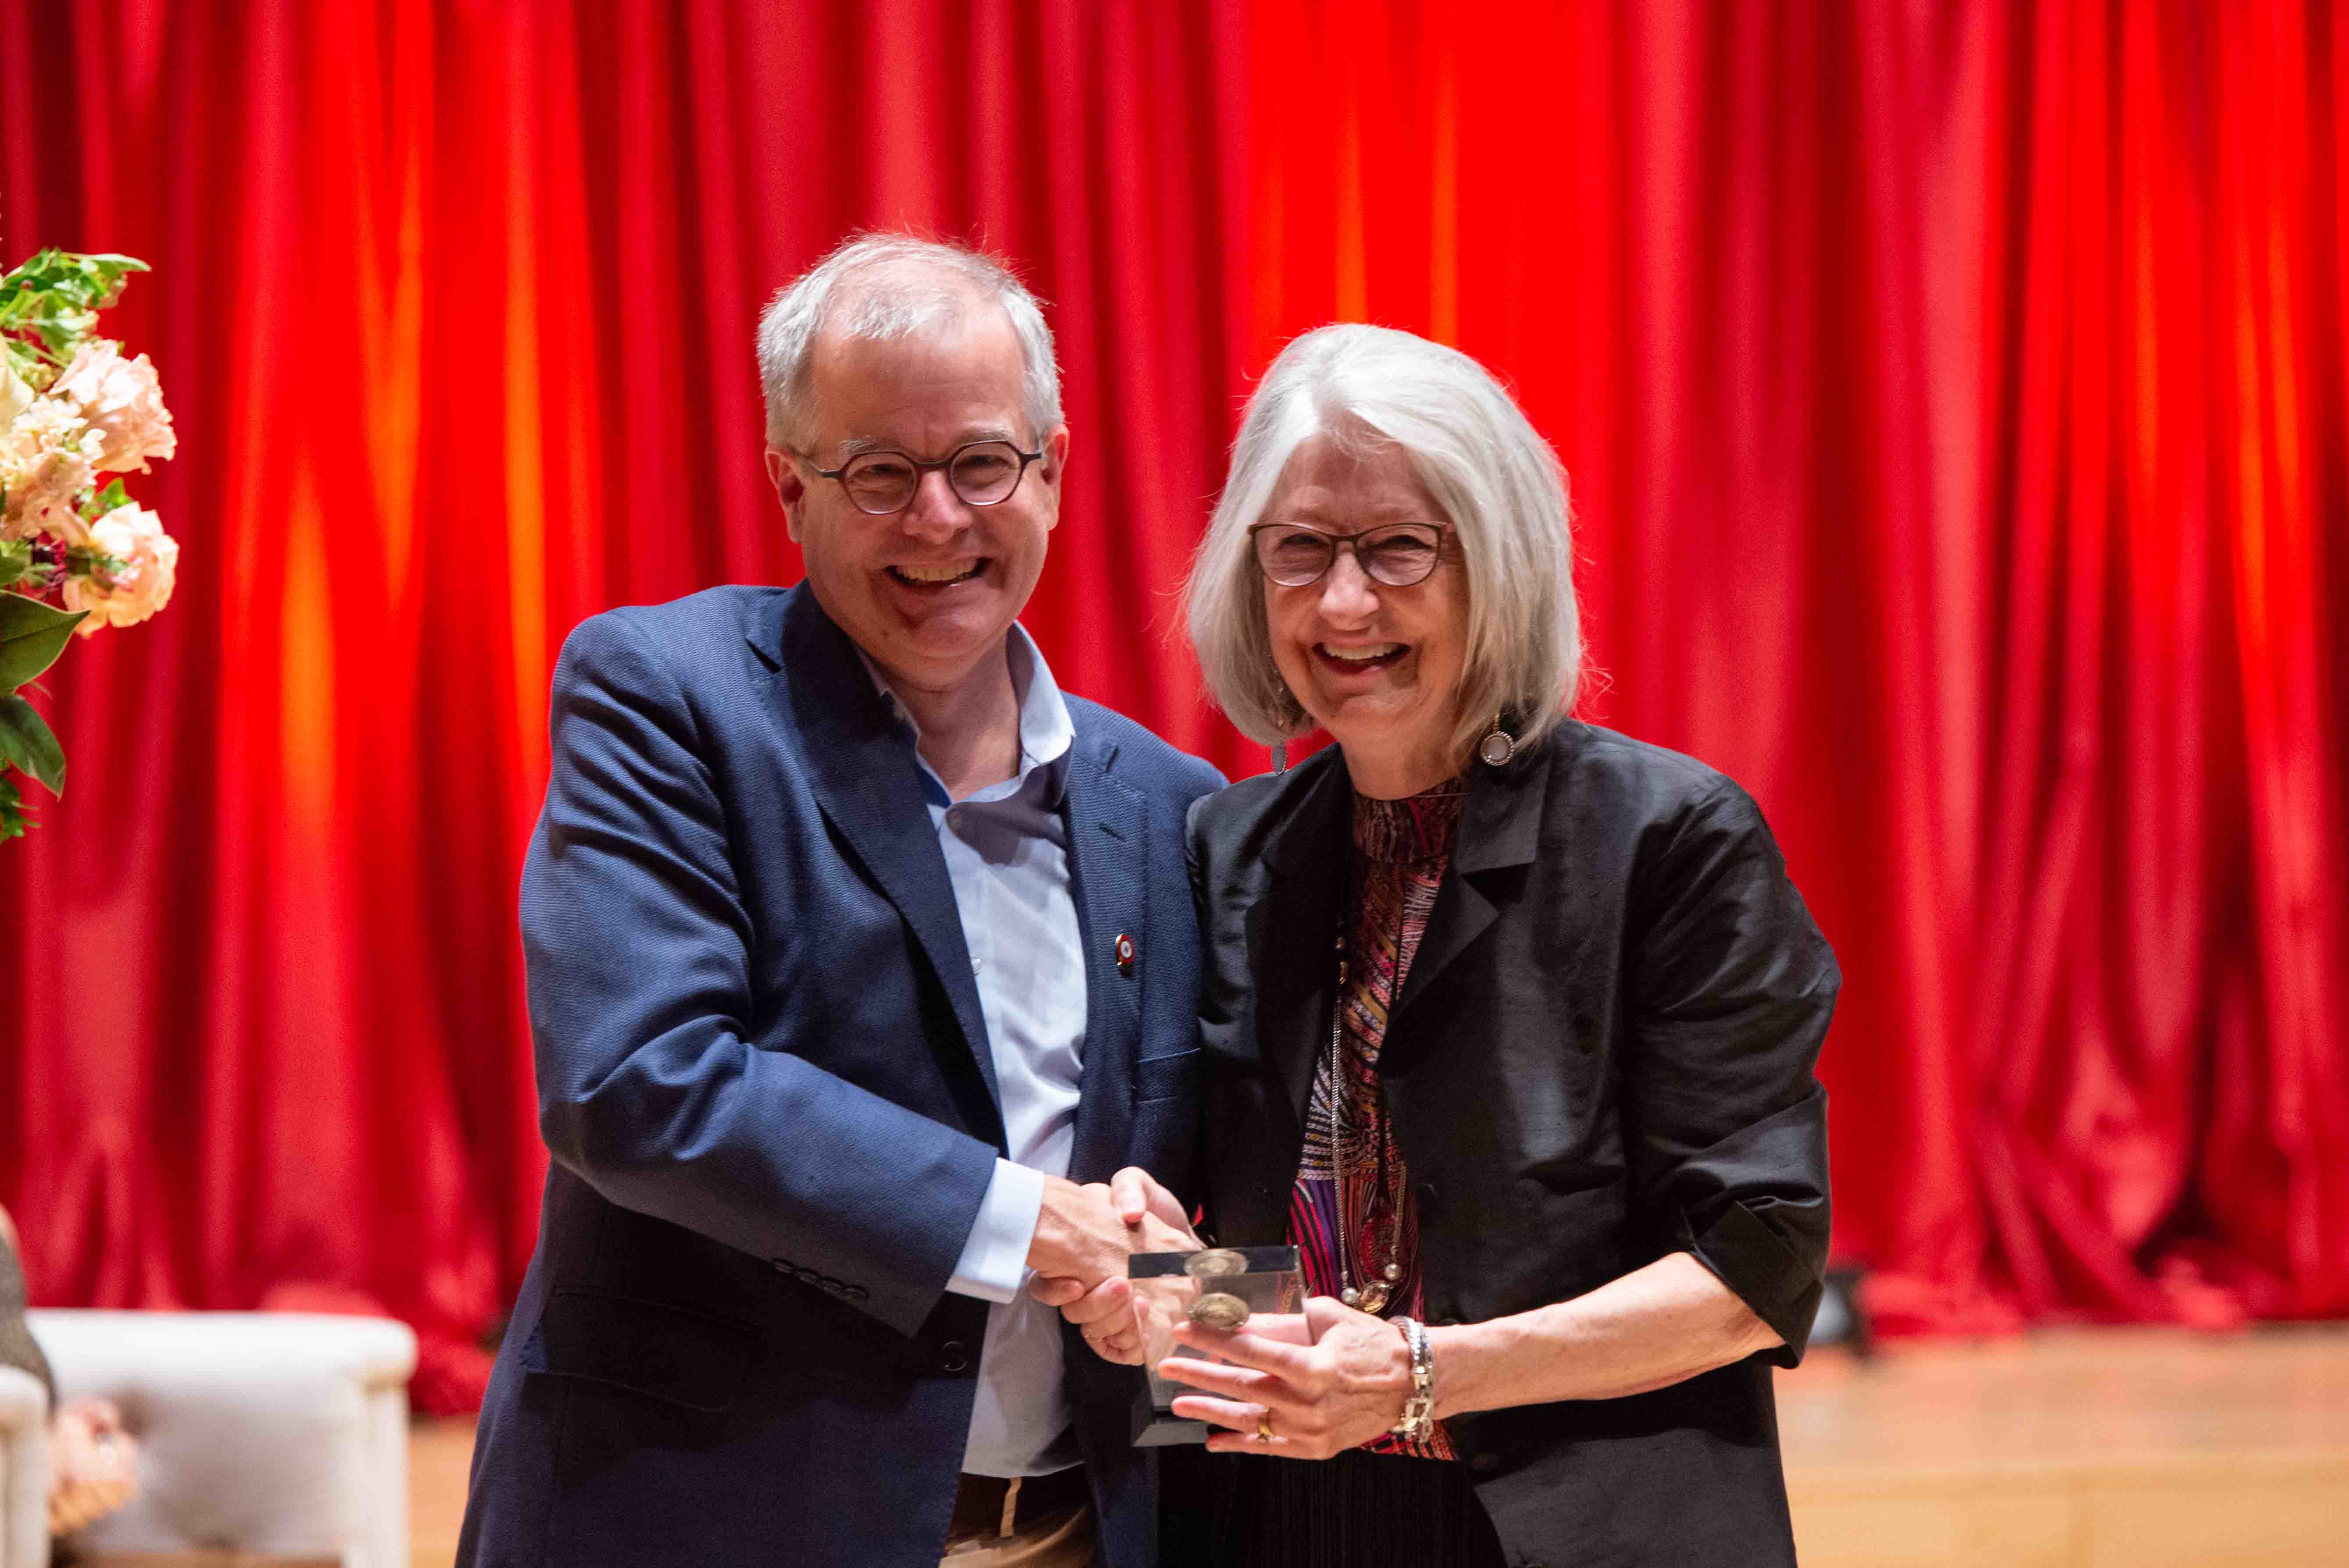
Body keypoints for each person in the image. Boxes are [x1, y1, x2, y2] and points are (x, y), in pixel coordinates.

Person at [456, 235, 1221, 1568]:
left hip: (1075, 1534)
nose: (939, 519)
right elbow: (637, 1084)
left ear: (1052, 470)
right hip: (716, 1522)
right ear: (789, 485)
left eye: (981, 463)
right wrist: (1029, 1220)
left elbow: (1199, 1189)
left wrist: (1178, 1290)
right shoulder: (668, 695)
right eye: (880, 472)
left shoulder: (1169, 798)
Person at [1146, 323, 1837, 1566]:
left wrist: (1419, 1374)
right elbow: (1212, 1225)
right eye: (1300, 548)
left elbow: (1755, 1267)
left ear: (1500, 562)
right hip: (1276, 1514)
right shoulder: (1227, 845)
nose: (1343, 602)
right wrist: (1196, 1316)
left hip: (1579, 1523)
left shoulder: (1671, 839)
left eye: (1401, 546)